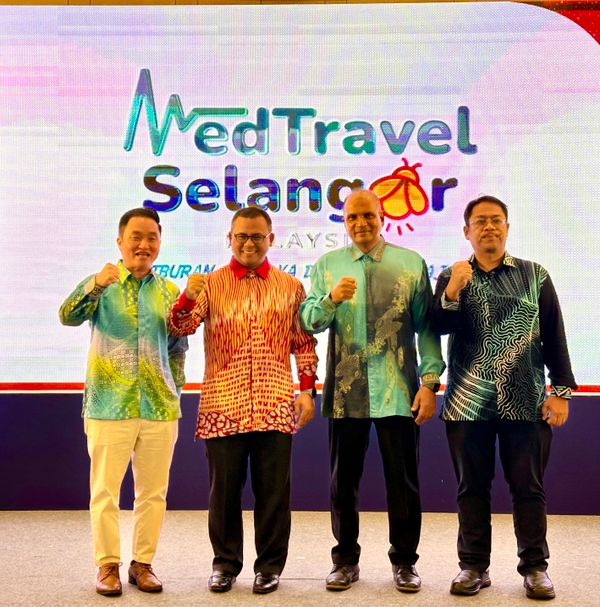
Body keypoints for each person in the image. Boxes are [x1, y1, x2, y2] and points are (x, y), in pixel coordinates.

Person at [432, 195, 577, 600]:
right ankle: (473, 566)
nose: (489, 227)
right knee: (471, 488)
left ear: (507, 228)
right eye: (480, 222)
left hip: (525, 401)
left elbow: (555, 334)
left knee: (528, 488)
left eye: (496, 220)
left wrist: (561, 391)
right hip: (467, 403)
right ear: (467, 231)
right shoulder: (451, 275)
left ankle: (535, 568)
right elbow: (436, 325)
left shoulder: (535, 275)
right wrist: (453, 290)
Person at [300, 189, 445, 593]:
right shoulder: (328, 265)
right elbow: (308, 322)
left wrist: (430, 382)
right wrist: (330, 300)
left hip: (399, 391)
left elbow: (427, 328)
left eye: (368, 216)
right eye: (352, 217)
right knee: (342, 482)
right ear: (344, 221)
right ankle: (345, 561)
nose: (361, 223)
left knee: (404, 482)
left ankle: (405, 562)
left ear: (382, 217)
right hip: (347, 393)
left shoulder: (410, 263)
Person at [168, 207, 317, 595]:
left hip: (275, 404)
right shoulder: (211, 285)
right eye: (241, 236)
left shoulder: (290, 287)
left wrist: (306, 390)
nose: (249, 243)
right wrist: (187, 297)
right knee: (223, 494)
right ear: (229, 239)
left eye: (257, 236)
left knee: (274, 495)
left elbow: (303, 343)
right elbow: (180, 327)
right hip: (223, 405)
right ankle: (225, 564)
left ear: (271, 239)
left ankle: (269, 567)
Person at [59, 208, 187, 596]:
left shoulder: (169, 292)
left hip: (159, 408)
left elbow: (178, 348)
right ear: (120, 241)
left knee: (153, 492)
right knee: (105, 491)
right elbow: (67, 316)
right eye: (136, 237)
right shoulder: (103, 284)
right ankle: (107, 565)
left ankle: (142, 564)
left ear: (159, 243)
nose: (143, 245)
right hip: (108, 405)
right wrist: (95, 284)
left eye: (151, 238)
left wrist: (174, 390)